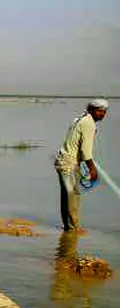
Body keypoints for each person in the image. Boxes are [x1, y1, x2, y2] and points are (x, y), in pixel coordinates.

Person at [54, 99, 108, 233]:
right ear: (91, 110)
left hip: (63, 161)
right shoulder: (88, 123)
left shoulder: (80, 119)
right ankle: (73, 230)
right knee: (73, 197)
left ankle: (68, 227)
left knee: (68, 196)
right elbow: (86, 151)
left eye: (104, 112)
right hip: (68, 163)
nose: (102, 114)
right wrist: (92, 169)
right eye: (99, 111)